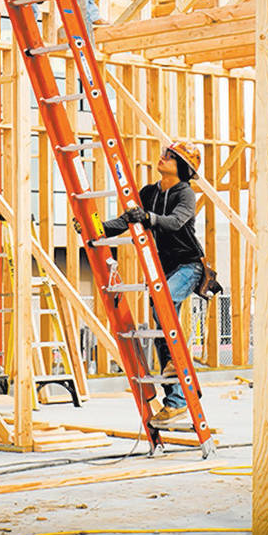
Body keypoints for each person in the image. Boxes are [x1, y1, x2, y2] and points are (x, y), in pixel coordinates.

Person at [102, 141, 204, 425]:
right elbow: (125, 221)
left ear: (182, 168)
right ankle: (177, 401)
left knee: (164, 304)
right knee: (163, 333)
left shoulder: (185, 194)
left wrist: (149, 217)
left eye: (170, 157)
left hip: (189, 266)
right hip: (162, 271)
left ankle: (179, 362)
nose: (163, 157)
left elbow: (174, 222)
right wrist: (95, 226)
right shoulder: (148, 193)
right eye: (166, 154)